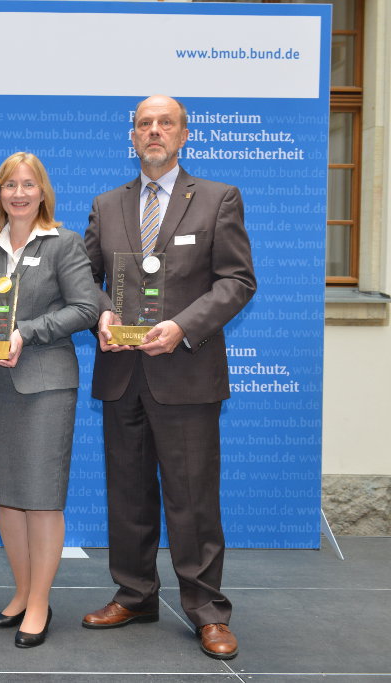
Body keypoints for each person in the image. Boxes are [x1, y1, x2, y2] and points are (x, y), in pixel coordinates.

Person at [82, 95, 256, 660]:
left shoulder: (217, 198)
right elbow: (85, 280)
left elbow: (236, 281)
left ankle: (207, 610)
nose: (154, 132)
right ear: (131, 137)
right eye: (144, 124)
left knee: (192, 498)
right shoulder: (107, 204)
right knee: (127, 493)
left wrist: (182, 327)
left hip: (186, 371)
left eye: (165, 123)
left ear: (184, 135)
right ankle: (134, 594)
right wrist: (102, 313)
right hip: (121, 372)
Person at [0, 152, 98, 649]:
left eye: (28, 185)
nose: (18, 193)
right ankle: (21, 593)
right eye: (9, 185)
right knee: (6, 493)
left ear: (43, 192)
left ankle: (40, 602)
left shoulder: (65, 244)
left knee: (41, 498)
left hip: (46, 384)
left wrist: (26, 333)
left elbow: (85, 308)